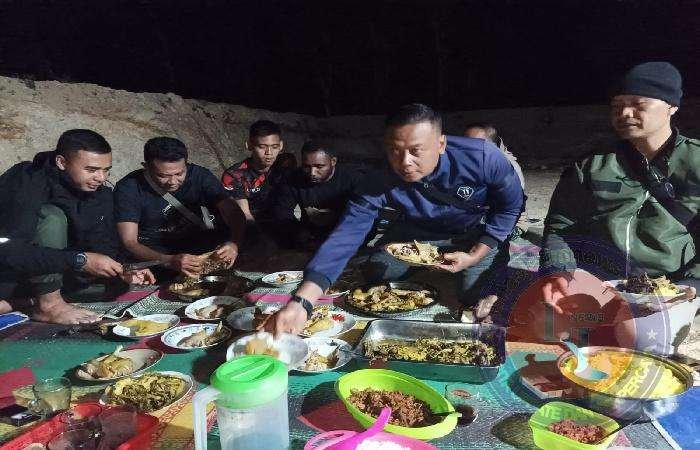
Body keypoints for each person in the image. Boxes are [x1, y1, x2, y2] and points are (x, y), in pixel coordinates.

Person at [265, 103, 524, 335]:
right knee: (377, 273)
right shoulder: (379, 177)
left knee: (474, 296)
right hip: (417, 231)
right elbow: (347, 234)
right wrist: (302, 301)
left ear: (441, 144)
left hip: (472, 231)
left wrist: (477, 254)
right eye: (395, 150)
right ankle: (427, 264)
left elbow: (510, 207)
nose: (404, 162)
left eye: (415, 150)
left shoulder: (482, 157)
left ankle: (491, 264)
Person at [534, 62, 698, 353]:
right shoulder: (592, 164)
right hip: (602, 277)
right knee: (546, 326)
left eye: (638, 105)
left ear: (671, 106)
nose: (624, 114)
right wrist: (558, 271)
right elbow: (561, 227)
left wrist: (692, 285)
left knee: (637, 339)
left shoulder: (696, 163)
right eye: (617, 106)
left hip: (666, 287)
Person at [0, 129, 154, 324]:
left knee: (115, 288)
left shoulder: (100, 194)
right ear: (62, 162)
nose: (101, 177)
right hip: (10, 270)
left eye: (106, 170)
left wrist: (123, 268)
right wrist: (80, 260)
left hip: (57, 274)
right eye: (91, 170)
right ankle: (48, 305)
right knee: (51, 217)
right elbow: (8, 251)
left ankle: (23, 302)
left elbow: (101, 244)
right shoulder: (26, 181)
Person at [115, 137, 244, 278]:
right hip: (156, 256)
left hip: (201, 248)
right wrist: (168, 261)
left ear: (186, 164)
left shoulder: (199, 176)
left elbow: (233, 213)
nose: (172, 181)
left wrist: (234, 243)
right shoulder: (129, 188)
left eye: (179, 174)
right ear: (146, 167)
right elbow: (130, 242)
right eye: (163, 175)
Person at [270, 141, 364, 249]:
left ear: (333, 161)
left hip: (347, 237)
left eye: (319, 166)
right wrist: (298, 232)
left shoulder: (353, 181)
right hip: (309, 237)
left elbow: (364, 217)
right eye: (306, 166)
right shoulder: (293, 179)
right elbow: (282, 212)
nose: (312, 173)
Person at [221, 120, 297, 227]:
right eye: (262, 147)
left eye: (274, 147)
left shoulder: (285, 167)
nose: (269, 153)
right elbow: (245, 215)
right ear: (249, 145)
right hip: (247, 224)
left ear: (281, 145)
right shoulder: (234, 175)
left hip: (280, 219)